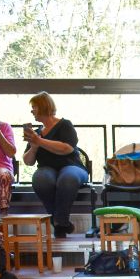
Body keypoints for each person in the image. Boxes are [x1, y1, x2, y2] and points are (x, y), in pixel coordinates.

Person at [22, 92, 89, 239]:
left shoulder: (65, 125)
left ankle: (59, 221)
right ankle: (61, 222)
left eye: (34, 107)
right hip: (47, 169)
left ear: (43, 106)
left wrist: (40, 142)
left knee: (67, 178)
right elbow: (28, 161)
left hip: (73, 166)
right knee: (40, 179)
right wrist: (34, 146)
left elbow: (67, 148)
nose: (32, 111)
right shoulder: (37, 133)